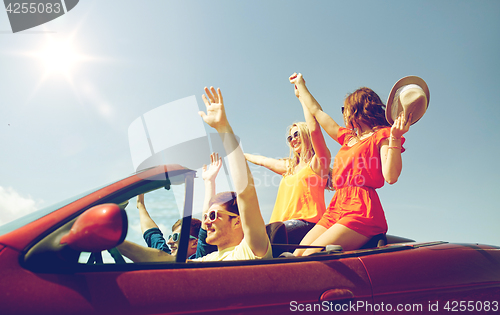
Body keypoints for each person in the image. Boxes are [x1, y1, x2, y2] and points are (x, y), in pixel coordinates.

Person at [118, 87, 272, 262]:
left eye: (213, 216)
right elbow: (164, 261)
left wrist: (223, 128)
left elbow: (246, 194)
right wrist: (115, 242)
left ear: (237, 221)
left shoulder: (251, 251)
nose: (206, 223)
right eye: (206, 217)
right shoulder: (205, 260)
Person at [290, 73, 411, 256]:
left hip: (360, 209)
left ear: (356, 109)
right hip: (336, 206)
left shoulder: (383, 135)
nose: (343, 113)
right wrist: (301, 86)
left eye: (344, 109)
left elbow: (391, 176)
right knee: (296, 254)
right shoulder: (348, 138)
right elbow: (317, 111)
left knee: (310, 256)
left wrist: (395, 137)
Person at [244, 93, 331, 244]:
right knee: (252, 241)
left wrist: (302, 98)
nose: (293, 140)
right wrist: (239, 154)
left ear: (306, 135)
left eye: (296, 134)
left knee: (267, 240)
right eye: (290, 138)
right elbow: (262, 160)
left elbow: (315, 129)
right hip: (280, 226)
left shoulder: (317, 164)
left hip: (307, 224)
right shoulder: (289, 168)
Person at [136, 193, 201, 259]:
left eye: (175, 237)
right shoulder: (166, 258)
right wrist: (140, 204)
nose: (169, 242)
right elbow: (152, 233)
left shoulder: (202, 260)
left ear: (195, 243)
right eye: (170, 237)